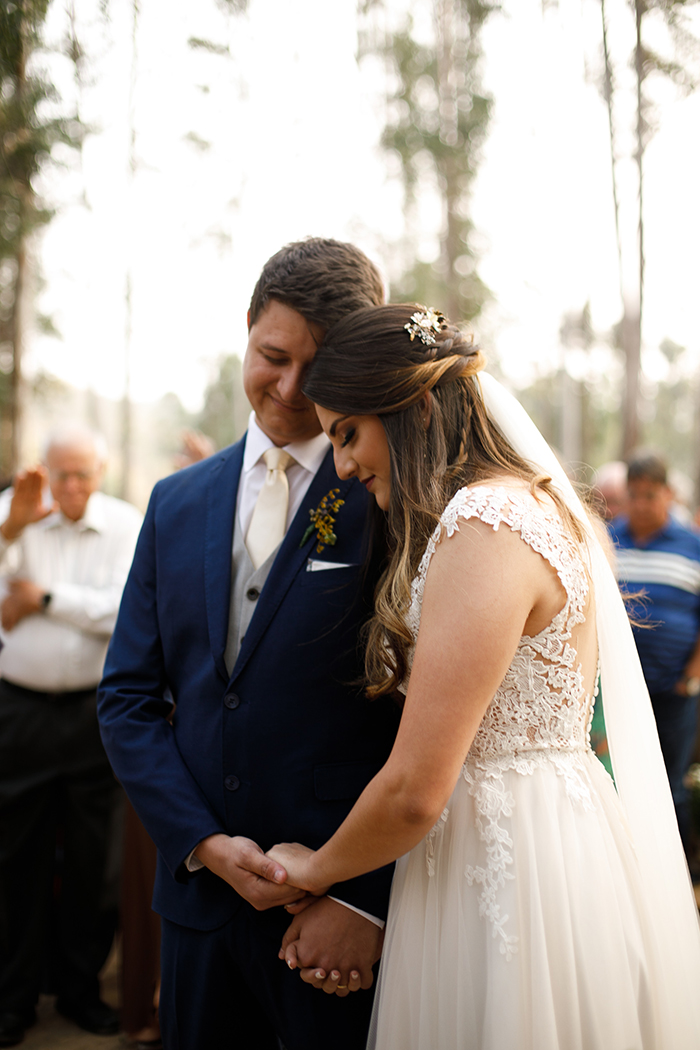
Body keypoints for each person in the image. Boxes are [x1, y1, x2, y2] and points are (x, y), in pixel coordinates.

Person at [266, 304, 700, 1050]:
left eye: (348, 433)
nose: (341, 465)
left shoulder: (484, 523)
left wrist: (316, 869)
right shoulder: (531, 504)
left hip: (514, 871)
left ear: (415, 408)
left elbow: (415, 787)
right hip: (538, 840)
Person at [97, 238, 401, 1050]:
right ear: (246, 328)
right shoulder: (174, 502)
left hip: (334, 915)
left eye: (317, 367)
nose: (291, 389)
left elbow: (427, 722)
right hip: (198, 907)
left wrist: (364, 897)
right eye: (273, 356)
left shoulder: (386, 498)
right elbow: (127, 698)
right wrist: (200, 843)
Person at [0, 427, 143, 1047]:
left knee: (93, 860)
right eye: (62, 474)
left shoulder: (125, 523)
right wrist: (11, 531)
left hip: (95, 712)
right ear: (44, 470)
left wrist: (44, 598)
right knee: (15, 858)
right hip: (18, 712)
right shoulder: (13, 513)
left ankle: (81, 990)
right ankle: (12, 997)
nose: (73, 486)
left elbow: (123, 609)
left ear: (100, 472)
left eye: (84, 474)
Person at [608, 452, 700, 861]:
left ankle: (678, 870)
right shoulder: (608, 539)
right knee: (622, 781)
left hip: (675, 691)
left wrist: (691, 678)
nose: (642, 504)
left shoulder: (692, 546)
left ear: (668, 494)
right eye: (634, 495)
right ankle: (632, 867)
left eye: (650, 495)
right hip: (620, 690)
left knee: (671, 784)